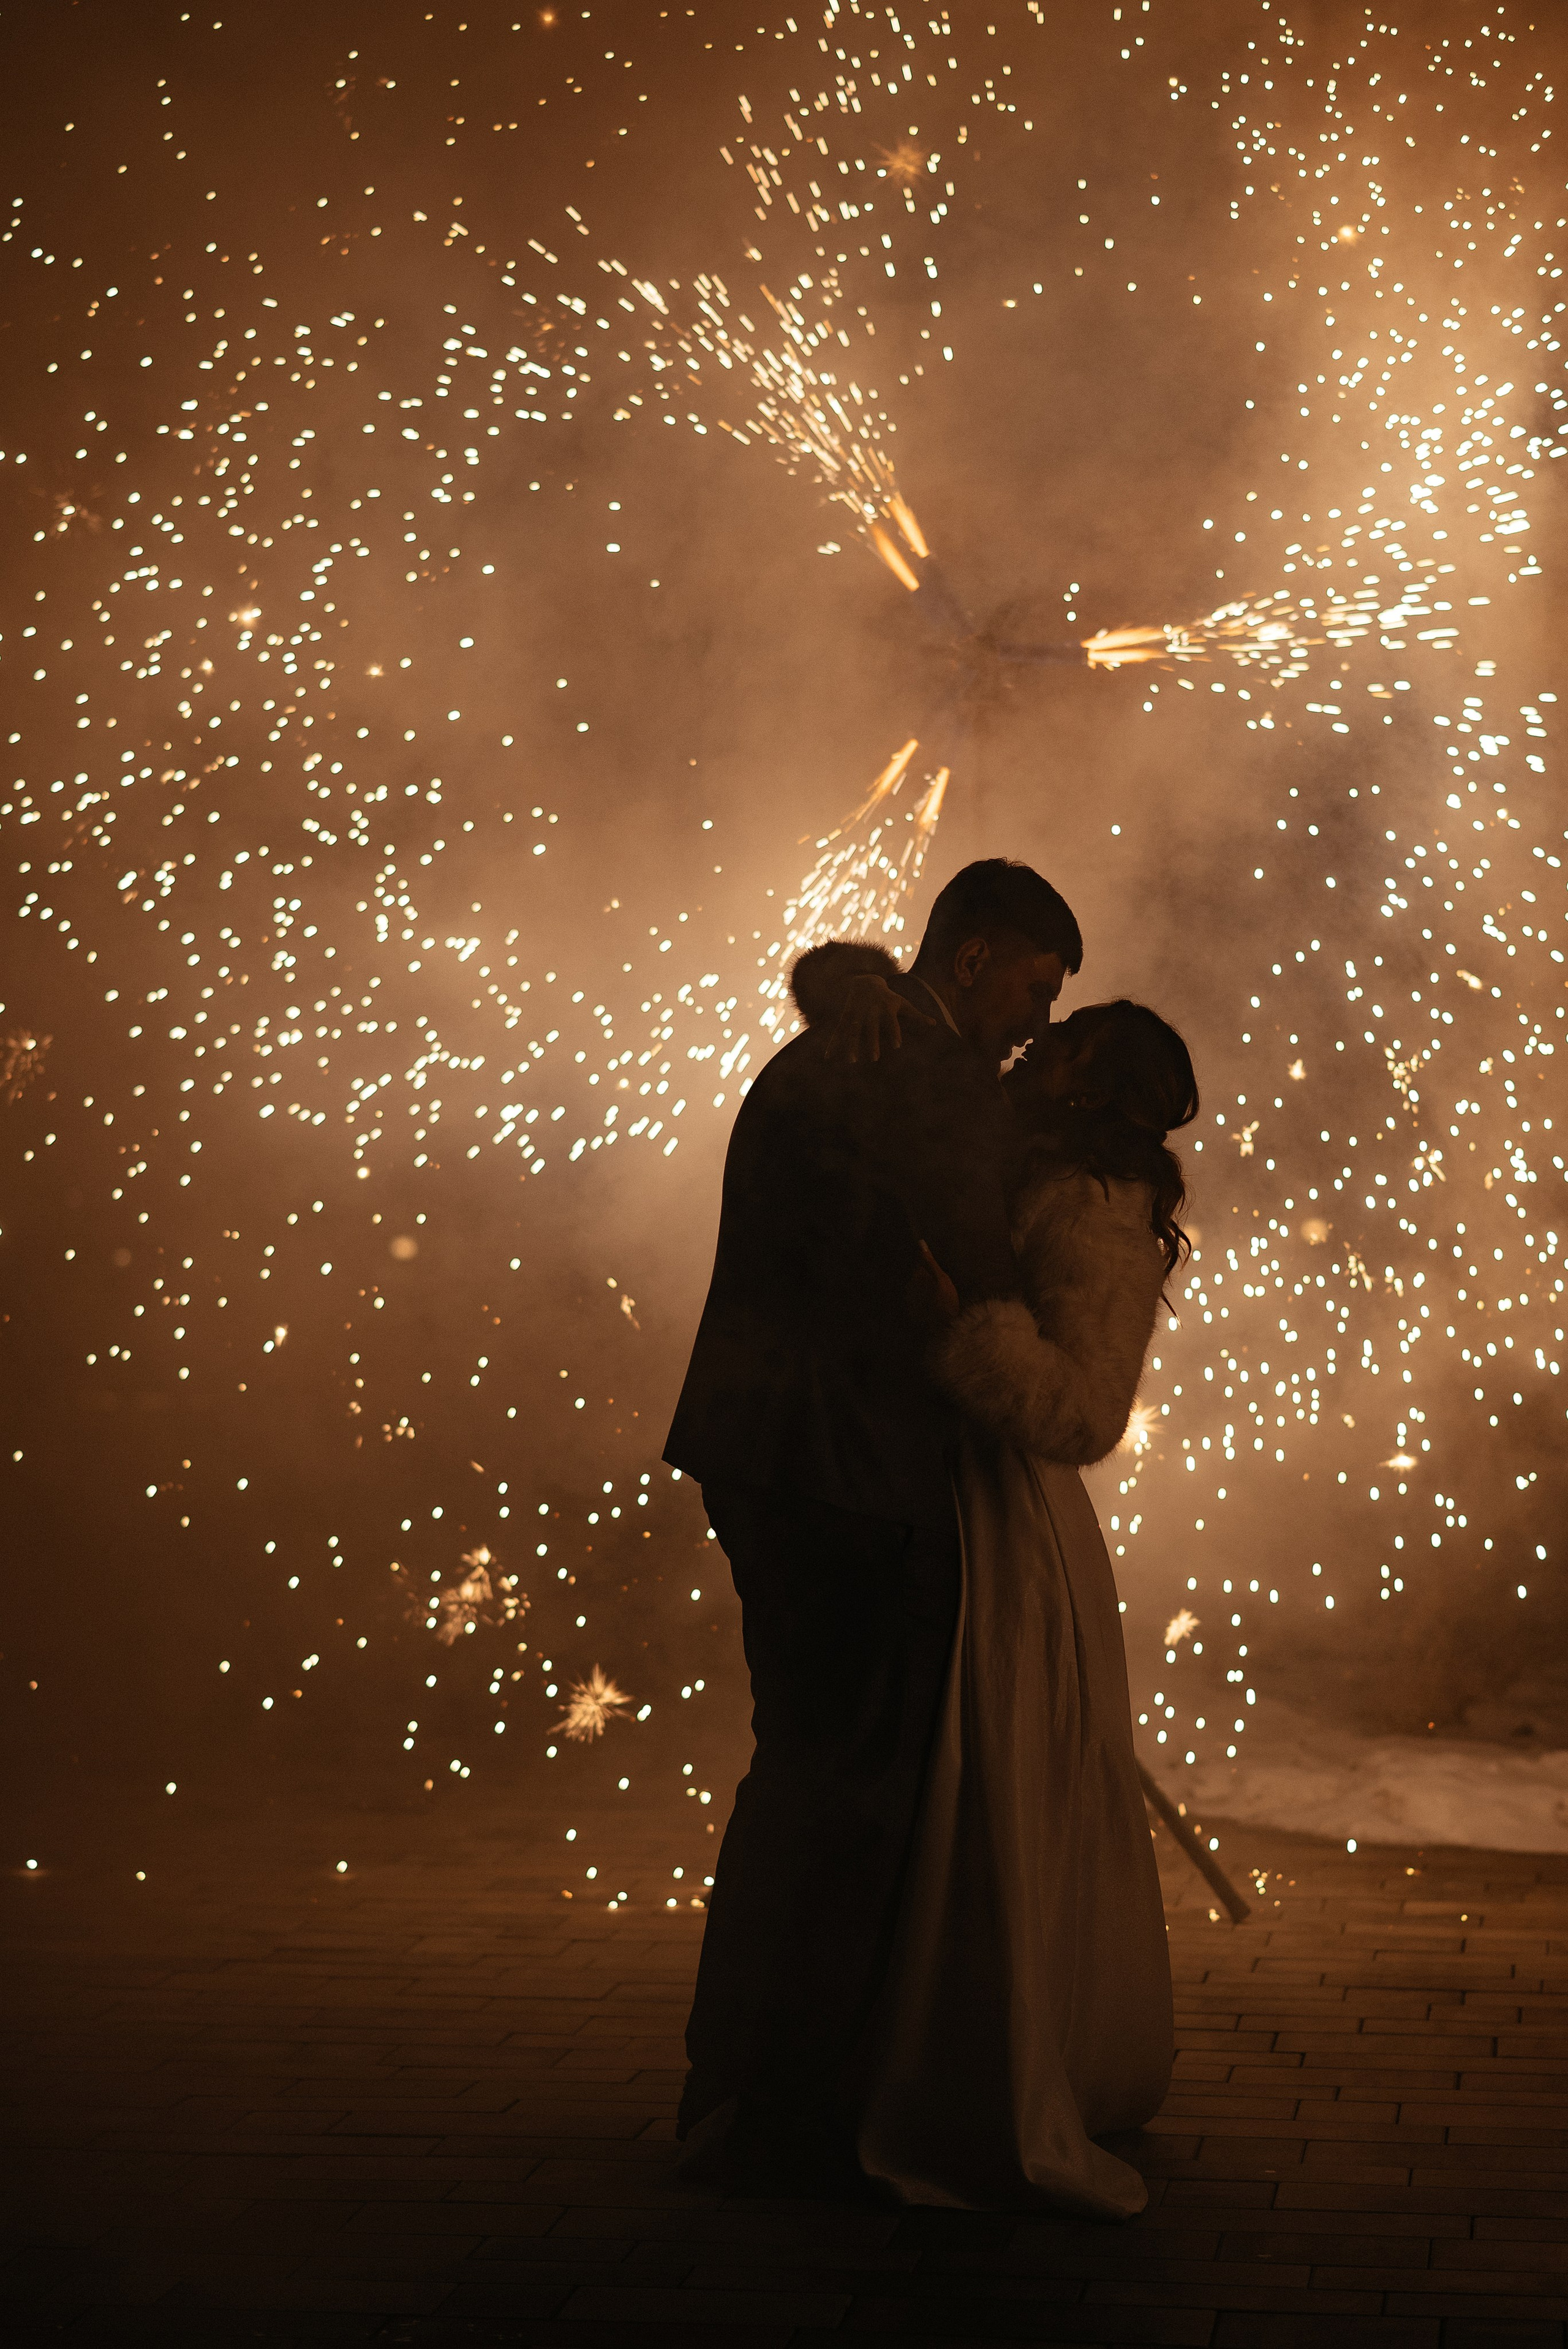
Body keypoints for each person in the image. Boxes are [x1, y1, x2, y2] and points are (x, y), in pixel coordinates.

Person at [663, 860, 1082, 2192]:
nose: (1034, 1017)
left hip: (759, 1450)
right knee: (853, 1787)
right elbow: (979, 1273)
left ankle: (729, 2078)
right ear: (970, 961)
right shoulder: (922, 1069)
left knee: (791, 1765)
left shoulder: (837, 1040)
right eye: (1032, 984)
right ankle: (794, 2109)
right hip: (851, 1469)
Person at [816, 959, 1199, 2216]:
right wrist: (844, 974)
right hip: (966, 1499)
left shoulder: (1093, 1206)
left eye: (1068, 1037)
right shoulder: (1026, 1153)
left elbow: (1079, 1412)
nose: (1038, 1042)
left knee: (995, 1786)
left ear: (1104, 1086)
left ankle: (992, 2072)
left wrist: (957, 1320)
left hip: (1015, 1528)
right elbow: (895, 1003)